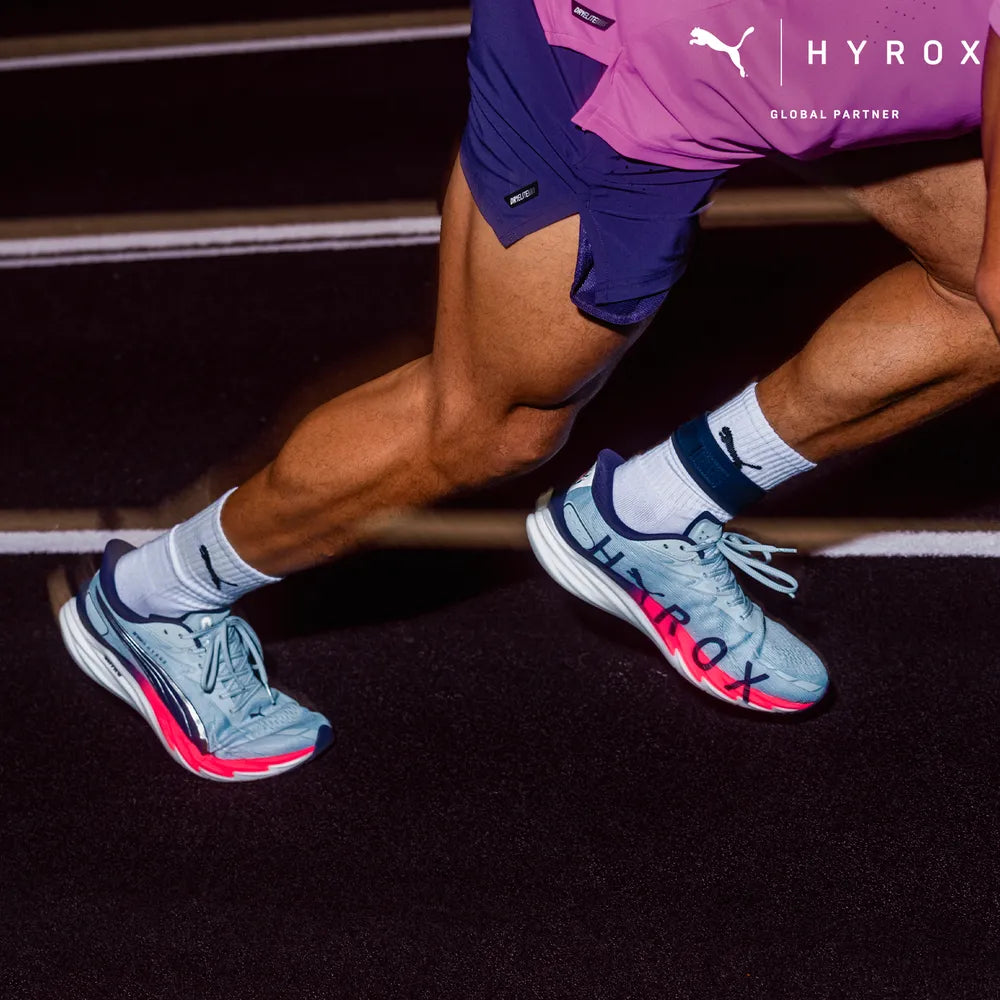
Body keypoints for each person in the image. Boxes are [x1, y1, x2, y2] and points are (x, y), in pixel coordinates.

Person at [58, 0, 1000, 778]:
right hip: (626, 56)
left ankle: (648, 516)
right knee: (490, 428)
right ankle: (153, 600)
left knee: (983, 296)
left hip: (841, 49)